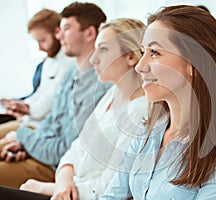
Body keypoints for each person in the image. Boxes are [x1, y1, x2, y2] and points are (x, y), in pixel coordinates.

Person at [100, 5, 216, 199]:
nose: (140, 66)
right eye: (143, 51)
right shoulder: (148, 132)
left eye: (154, 52)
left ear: (195, 64)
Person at [16, 18, 147, 200]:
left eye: (103, 49)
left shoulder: (139, 112)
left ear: (131, 57)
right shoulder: (112, 93)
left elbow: (108, 189)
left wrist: (46, 188)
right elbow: (76, 147)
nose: (93, 59)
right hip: (66, 187)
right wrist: (63, 179)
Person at [0, 2, 111, 189]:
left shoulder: (100, 86)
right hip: (42, 154)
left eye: (66, 28)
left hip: (57, 168)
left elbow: (64, 150)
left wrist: (24, 137)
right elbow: (51, 123)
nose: (59, 35)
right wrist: (27, 146)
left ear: (90, 33)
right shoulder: (71, 75)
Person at [0, 9, 75, 132]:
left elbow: (48, 104)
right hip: (29, 121)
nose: (40, 47)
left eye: (43, 41)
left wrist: (26, 108)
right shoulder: (50, 60)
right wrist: (21, 104)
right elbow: (40, 93)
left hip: (41, 127)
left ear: (57, 33)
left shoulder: (68, 62)